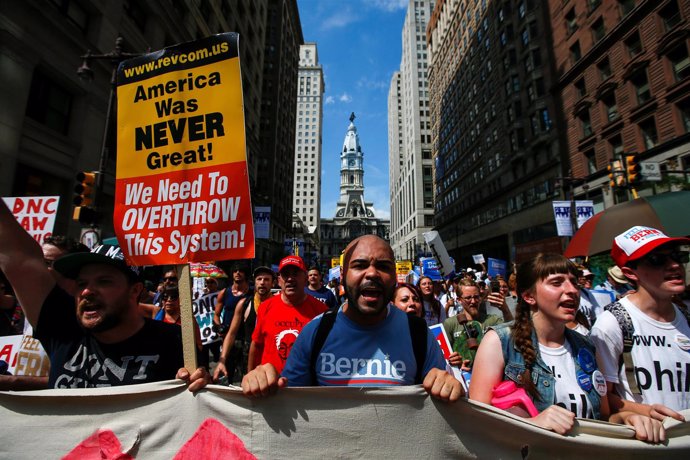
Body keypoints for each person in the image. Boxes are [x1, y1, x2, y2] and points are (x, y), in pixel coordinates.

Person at [0, 200, 208, 391]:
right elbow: (18, 259)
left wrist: (199, 384)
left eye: (104, 281)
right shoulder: (63, 329)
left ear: (135, 291)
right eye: (82, 283)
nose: (87, 291)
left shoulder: (173, 341)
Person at [239, 235, 463, 403]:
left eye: (383, 266)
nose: (372, 273)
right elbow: (288, 403)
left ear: (395, 278)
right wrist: (264, 381)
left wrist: (452, 388)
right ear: (343, 275)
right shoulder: (316, 331)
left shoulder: (418, 333)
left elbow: (444, 400)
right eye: (360, 265)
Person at [469, 253, 664, 442]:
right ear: (529, 296)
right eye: (557, 283)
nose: (571, 290)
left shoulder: (585, 345)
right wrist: (532, 424)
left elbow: (602, 419)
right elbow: (477, 423)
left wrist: (627, 419)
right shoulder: (500, 341)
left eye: (574, 282)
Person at [591, 226, 690, 420]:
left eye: (677, 257)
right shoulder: (611, 324)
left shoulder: (686, 317)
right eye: (657, 260)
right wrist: (646, 412)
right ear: (630, 273)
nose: (674, 266)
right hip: (648, 446)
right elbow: (600, 398)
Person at [248, 255, 328, 373]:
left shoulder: (321, 311)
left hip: (305, 386)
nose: (290, 279)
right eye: (286, 275)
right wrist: (250, 376)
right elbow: (256, 345)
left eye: (295, 274)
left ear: (305, 278)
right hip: (270, 386)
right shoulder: (265, 307)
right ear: (279, 280)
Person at [214, 266, 275, 383]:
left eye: (266, 280)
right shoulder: (244, 304)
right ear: (254, 282)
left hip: (268, 358)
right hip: (246, 358)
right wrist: (222, 360)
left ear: (273, 283)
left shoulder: (278, 306)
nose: (262, 283)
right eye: (259, 279)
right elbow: (232, 333)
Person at [443, 279, 508, 372]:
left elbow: (511, 336)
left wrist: (505, 309)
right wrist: (454, 362)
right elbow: (445, 357)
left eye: (476, 297)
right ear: (459, 300)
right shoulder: (450, 324)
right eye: (468, 298)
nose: (473, 301)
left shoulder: (492, 320)